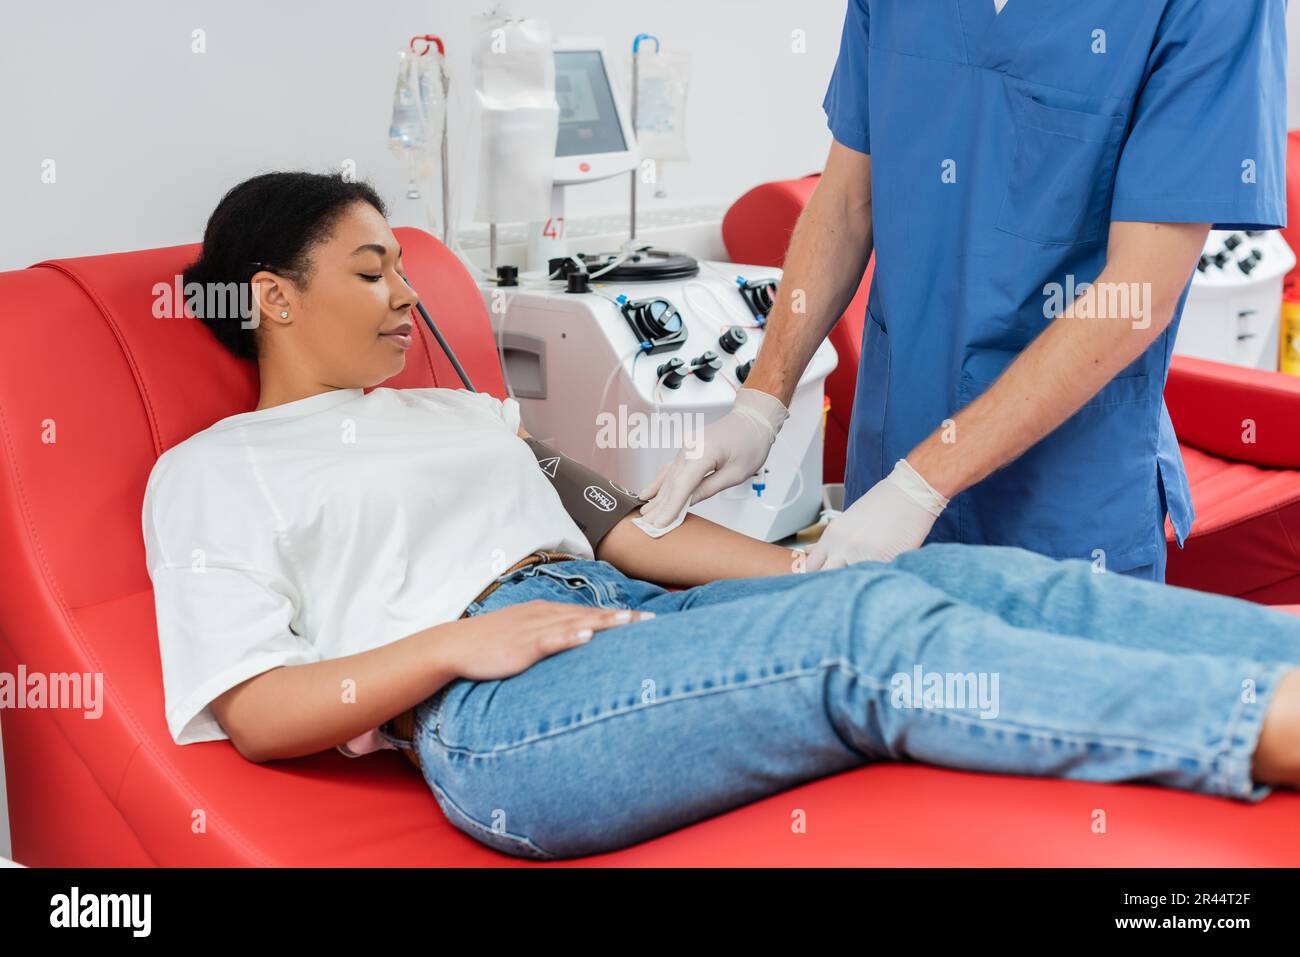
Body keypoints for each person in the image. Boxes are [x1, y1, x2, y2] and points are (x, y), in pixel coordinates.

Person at [145, 171, 1300, 861]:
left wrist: (810, 570)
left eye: (403, 266)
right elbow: (254, 709)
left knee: (973, 579)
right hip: (493, 713)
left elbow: (625, 533)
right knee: (873, 646)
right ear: (273, 297)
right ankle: (1261, 725)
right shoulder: (215, 470)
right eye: (368, 271)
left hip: (627, 614)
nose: (405, 294)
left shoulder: (456, 413)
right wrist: (455, 644)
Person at [637, 0, 1288, 582]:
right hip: (885, 492)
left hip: (1063, 522)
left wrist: (925, 484)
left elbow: (1137, 294)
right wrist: (762, 401)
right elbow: (844, 202)